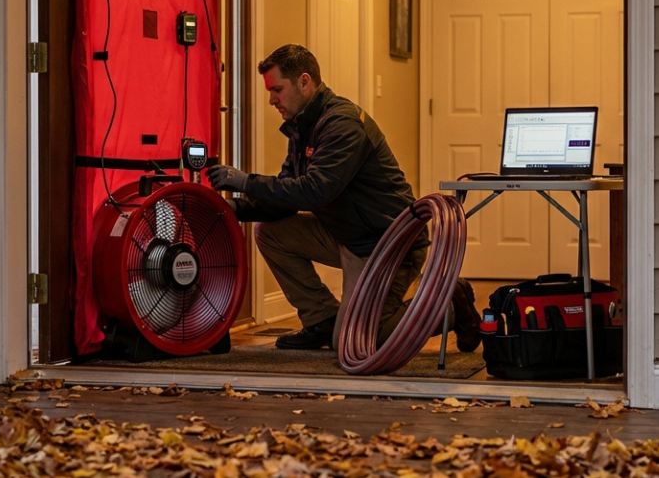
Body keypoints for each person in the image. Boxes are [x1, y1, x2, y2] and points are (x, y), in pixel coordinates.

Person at [206, 44, 480, 351]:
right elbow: (288, 194)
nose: (271, 100)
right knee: (271, 232)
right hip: (347, 235)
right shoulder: (303, 127)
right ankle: (321, 318)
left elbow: (315, 190)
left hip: (387, 244)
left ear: (304, 82)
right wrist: (233, 208)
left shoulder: (342, 125)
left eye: (277, 89)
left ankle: (449, 307)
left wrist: (245, 181)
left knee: (358, 342)